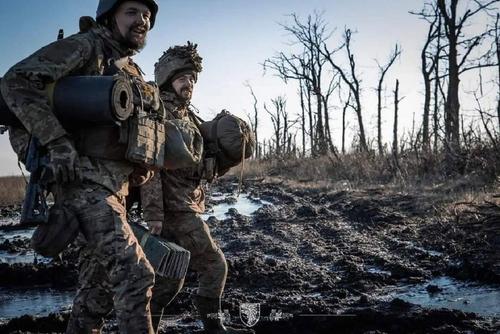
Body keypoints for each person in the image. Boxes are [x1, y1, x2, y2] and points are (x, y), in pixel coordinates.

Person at [1, 1, 160, 333]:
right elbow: (16, 81)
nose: (141, 20)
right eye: (131, 11)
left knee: (95, 294)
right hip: (84, 184)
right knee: (136, 274)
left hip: (116, 190)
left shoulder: (130, 69)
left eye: (147, 15)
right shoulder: (86, 46)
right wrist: (57, 142)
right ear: (109, 15)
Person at [141, 42, 253, 334]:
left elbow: (199, 166)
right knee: (215, 265)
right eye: (182, 77)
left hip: (183, 205)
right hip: (173, 209)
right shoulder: (159, 113)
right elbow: (150, 165)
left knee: (170, 276)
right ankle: (214, 329)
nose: (189, 83)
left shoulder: (187, 116)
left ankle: (148, 327)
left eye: (192, 78)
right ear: (167, 77)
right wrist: (153, 214)